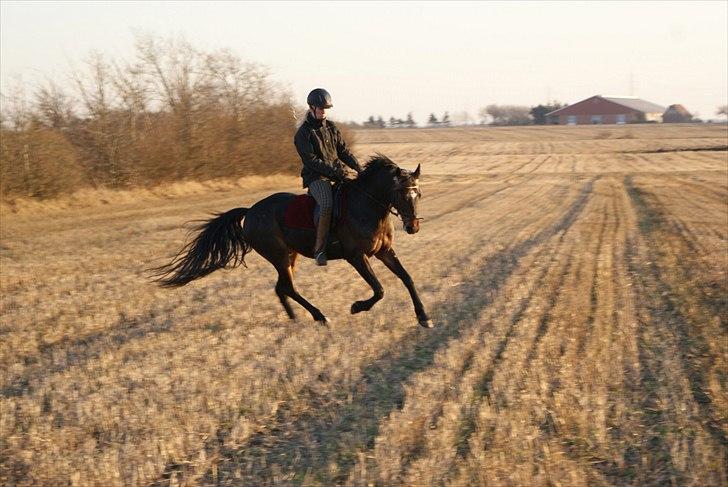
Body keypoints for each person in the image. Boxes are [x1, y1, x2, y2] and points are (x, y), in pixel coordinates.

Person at [294, 88, 363, 266]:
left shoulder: (331, 127)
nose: (324, 111)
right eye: (321, 108)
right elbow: (311, 161)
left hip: (337, 174)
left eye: (326, 108)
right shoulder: (303, 134)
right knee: (326, 204)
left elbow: (342, 151)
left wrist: (357, 167)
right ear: (311, 107)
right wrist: (333, 172)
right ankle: (319, 250)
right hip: (316, 178)